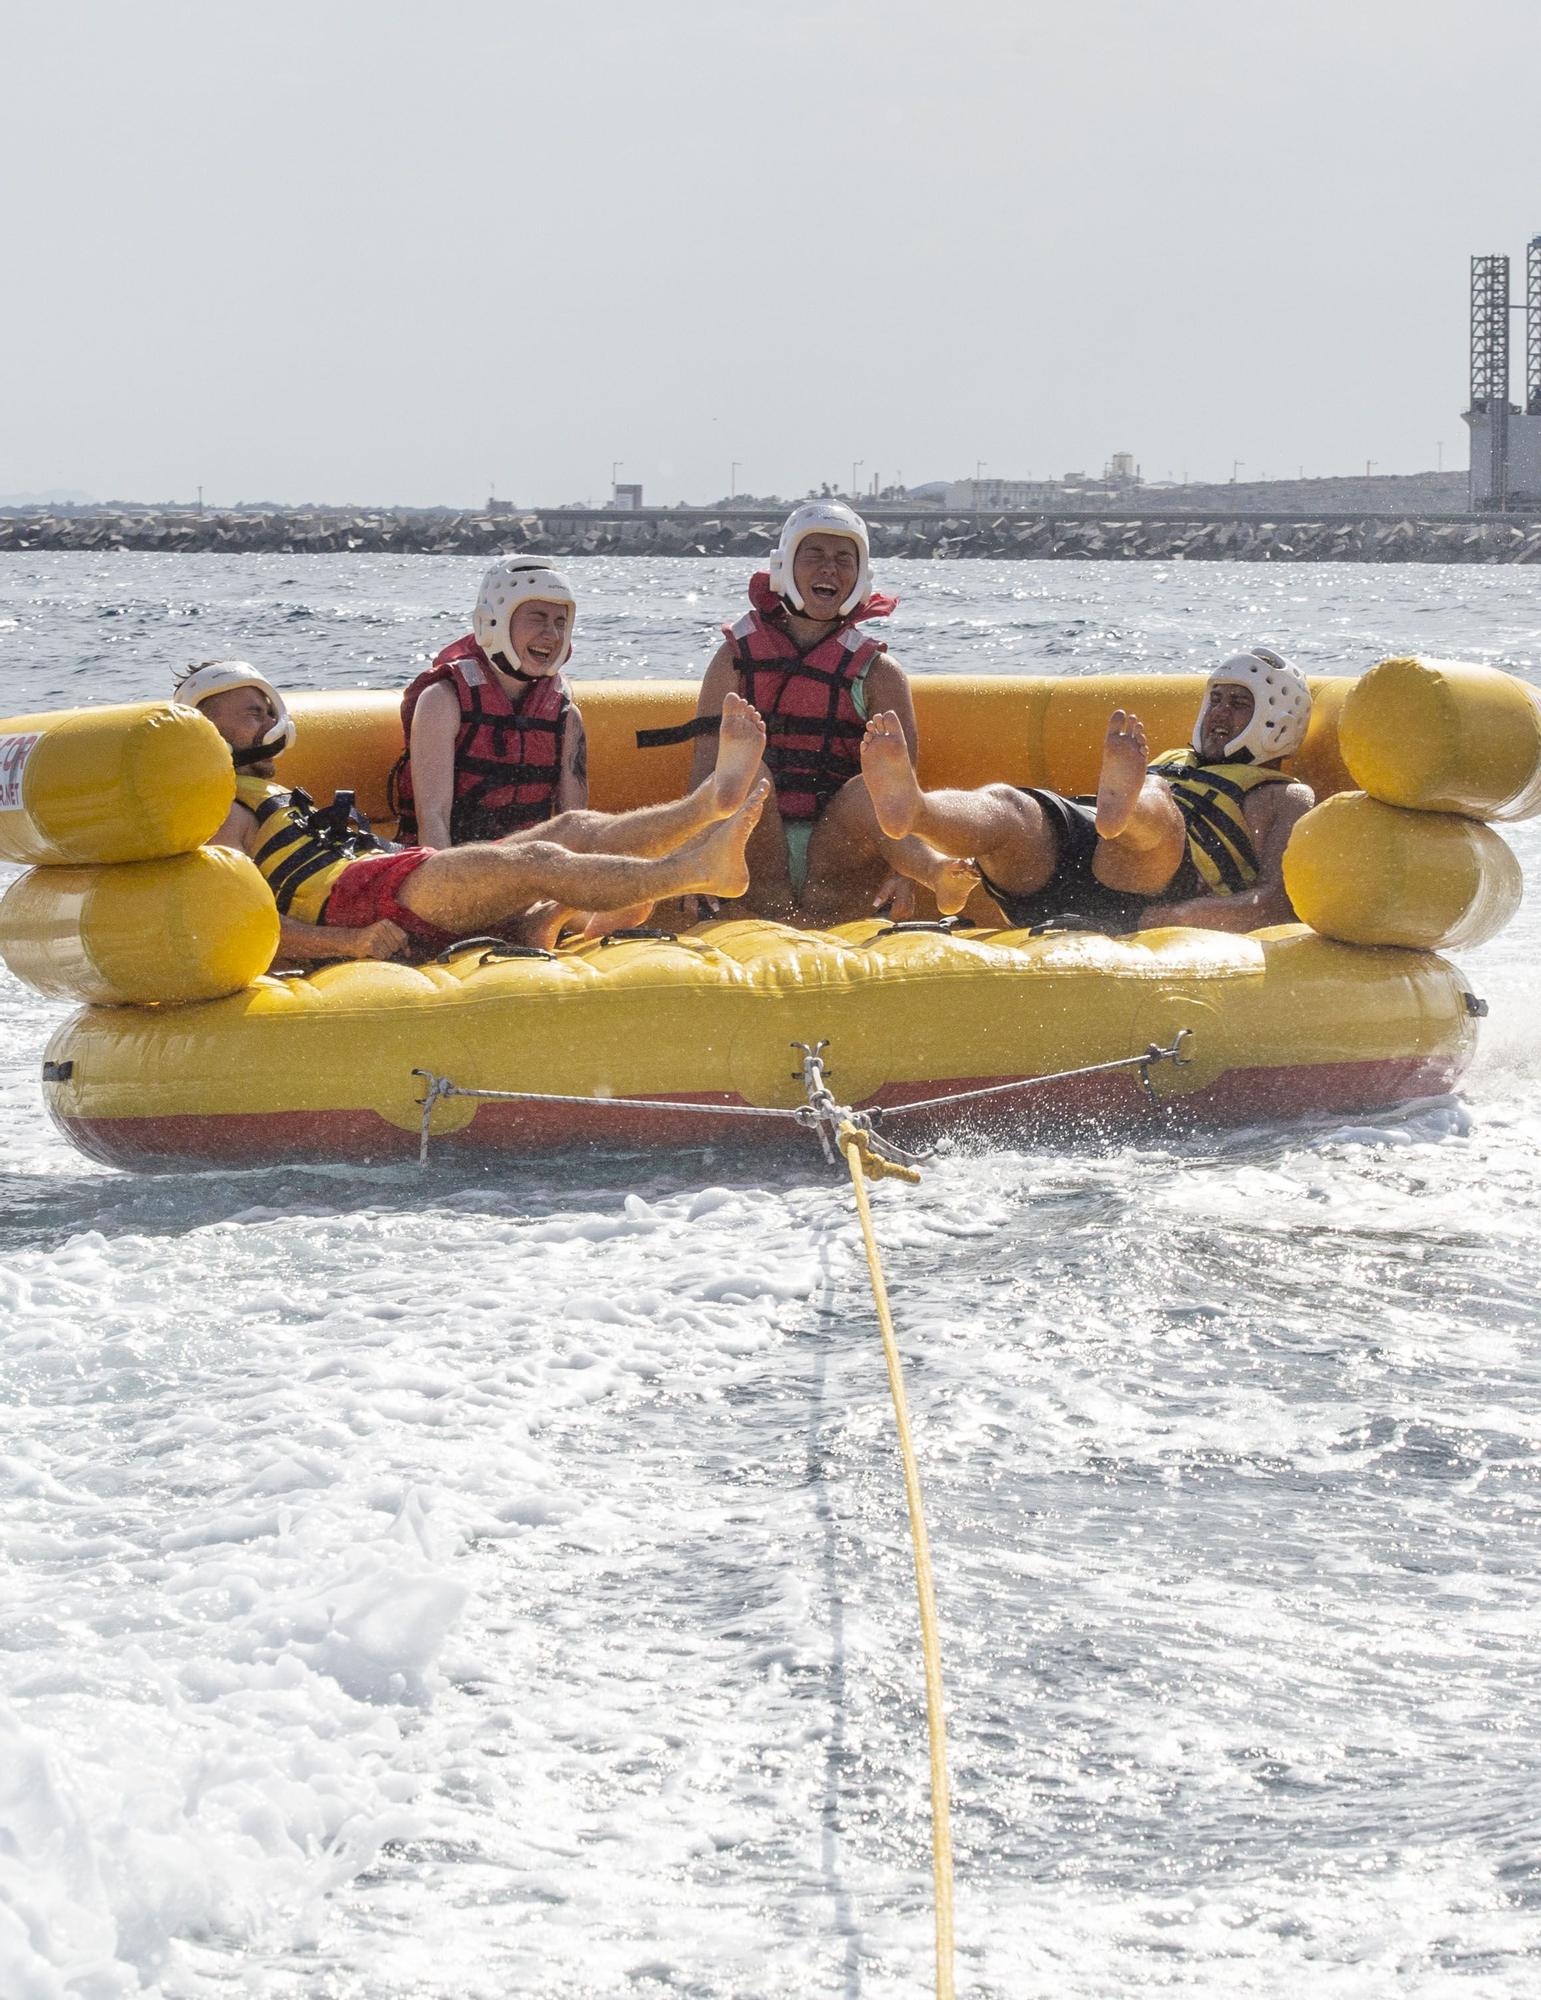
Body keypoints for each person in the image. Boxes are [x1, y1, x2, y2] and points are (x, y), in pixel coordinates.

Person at [174, 662, 768, 964]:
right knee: (540, 858)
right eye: (248, 710)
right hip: (364, 899)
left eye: (264, 706)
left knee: (571, 827)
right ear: (202, 725)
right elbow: (238, 929)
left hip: (387, 879)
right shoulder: (226, 813)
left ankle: (703, 806)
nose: (266, 717)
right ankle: (693, 872)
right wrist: (346, 944)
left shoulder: (268, 799)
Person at [857, 648, 1317, 935]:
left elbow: (1276, 901)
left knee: (1154, 805)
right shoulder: (1176, 757)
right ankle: (917, 812)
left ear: (1280, 719)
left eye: (1239, 704)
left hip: (1152, 889)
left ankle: (1128, 806)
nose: (1219, 712)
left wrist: (1184, 918)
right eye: (1216, 698)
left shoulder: (1285, 796)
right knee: (1014, 807)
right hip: (1071, 866)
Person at [678, 502, 974, 925]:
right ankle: (744, 891)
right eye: (814, 555)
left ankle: (929, 870)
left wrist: (898, 871)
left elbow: (902, 790)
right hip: (755, 862)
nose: (829, 570)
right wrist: (694, 857)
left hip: (839, 863)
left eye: (843, 559)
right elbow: (706, 769)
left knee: (869, 787)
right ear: (785, 567)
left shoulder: (879, 674)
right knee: (746, 772)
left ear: (861, 575)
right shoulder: (734, 659)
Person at [389, 556, 586, 849]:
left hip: (521, 871)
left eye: (560, 622)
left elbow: (575, 825)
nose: (552, 634)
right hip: (446, 868)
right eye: (537, 618)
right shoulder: (442, 701)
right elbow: (434, 819)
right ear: (494, 621)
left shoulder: (566, 716)